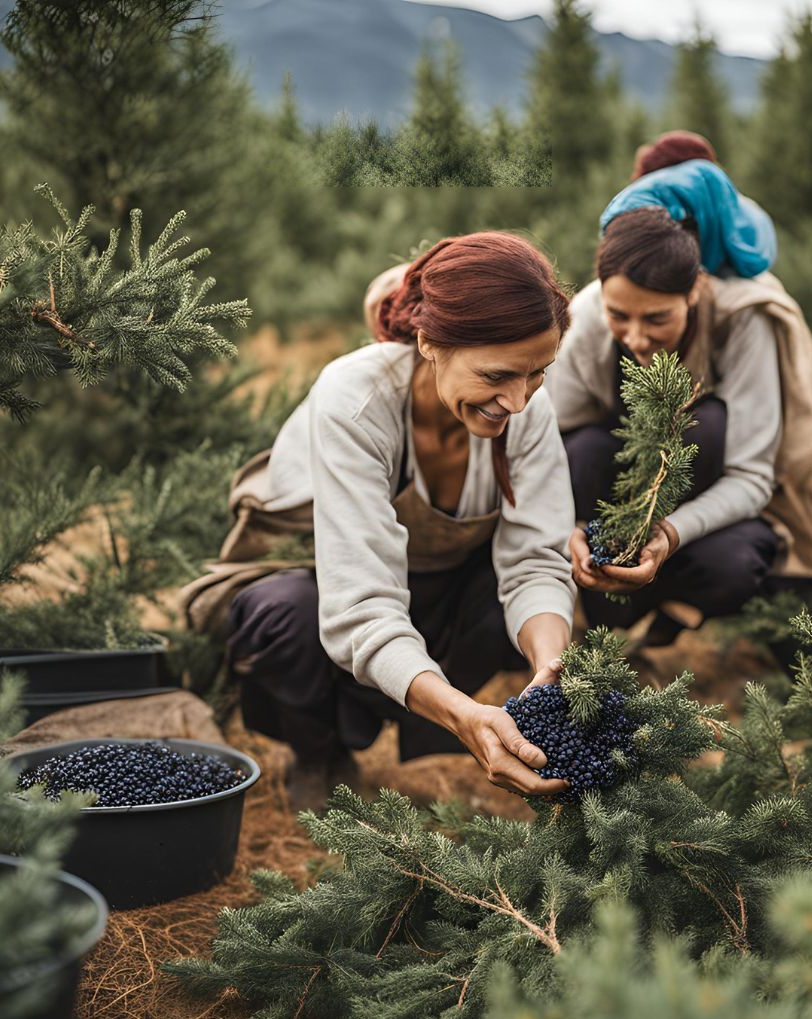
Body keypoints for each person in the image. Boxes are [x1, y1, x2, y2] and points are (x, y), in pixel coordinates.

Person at [219, 233, 577, 799]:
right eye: (495, 377)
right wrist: (464, 716)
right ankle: (317, 748)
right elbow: (360, 604)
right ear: (429, 342)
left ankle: (410, 706)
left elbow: (535, 561)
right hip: (324, 590)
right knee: (281, 615)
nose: (519, 401)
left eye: (537, 374)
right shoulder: (354, 399)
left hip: (437, 589)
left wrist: (549, 667)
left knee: (512, 600)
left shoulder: (525, 407)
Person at [548, 133, 812, 642]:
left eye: (658, 318)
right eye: (620, 315)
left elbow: (753, 477)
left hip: (709, 516)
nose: (636, 337)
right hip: (611, 495)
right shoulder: (590, 318)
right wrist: (568, 530)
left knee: (709, 444)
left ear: (696, 288)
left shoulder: (744, 319)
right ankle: (603, 628)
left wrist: (668, 534)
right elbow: (542, 442)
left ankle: (679, 615)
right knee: (583, 450)